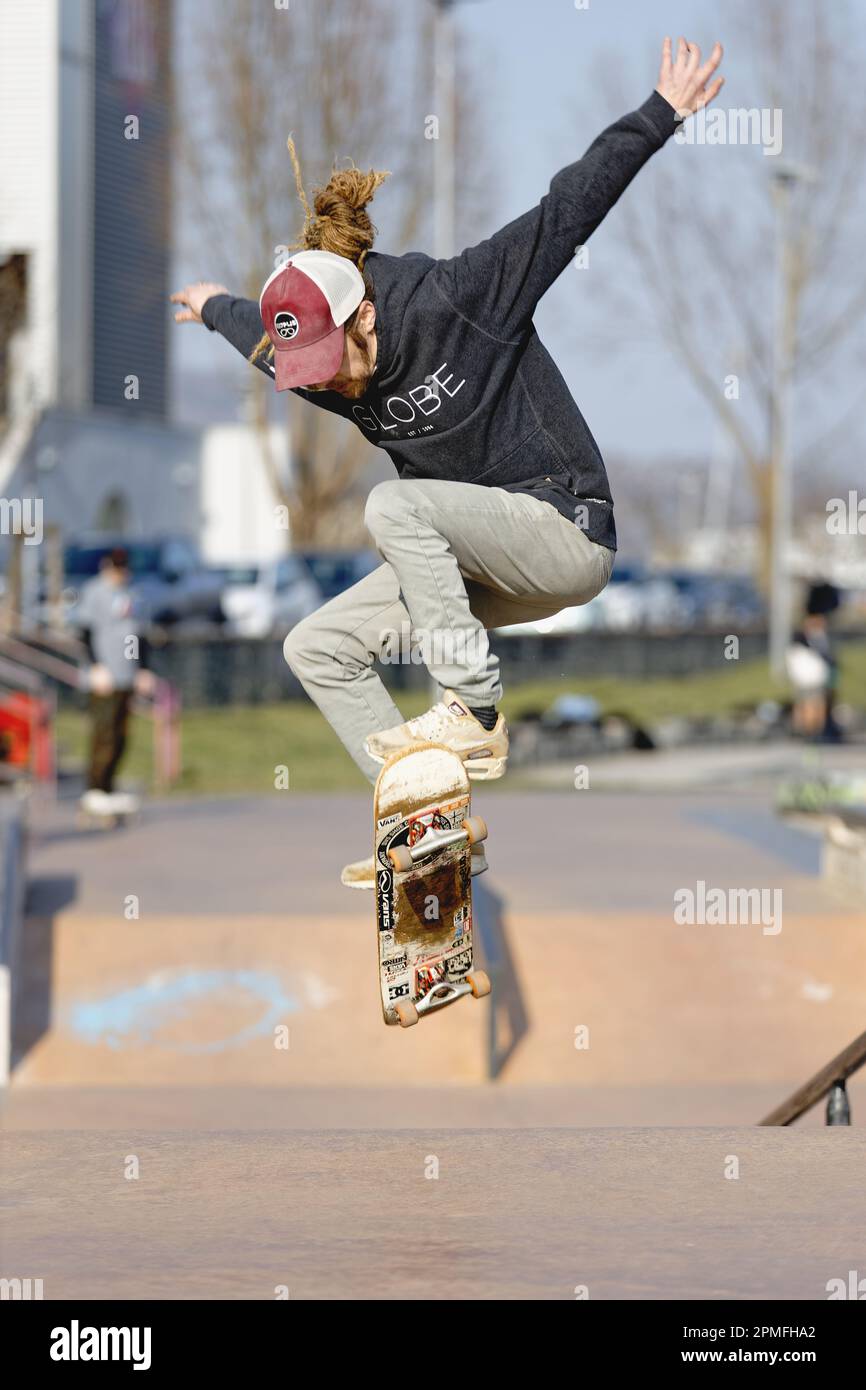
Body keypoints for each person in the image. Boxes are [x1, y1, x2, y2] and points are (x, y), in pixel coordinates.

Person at [172, 36, 724, 886]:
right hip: (475, 569)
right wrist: (210, 305)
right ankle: (423, 826)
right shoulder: (319, 372)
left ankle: (473, 709)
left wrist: (663, 112)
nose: (335, 389)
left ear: (362, 318)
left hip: (564, 528)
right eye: (312, 377)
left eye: (336, 363)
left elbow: (567, 208)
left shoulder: (464, 297)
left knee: (397, 509)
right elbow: (258, 331)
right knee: (316, 646)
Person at [76, 547, 155, 816]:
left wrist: (143, 669)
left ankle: (108, 786)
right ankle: (94, 788)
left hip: (127, 674)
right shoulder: (94, 592)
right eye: (116, 568)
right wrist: (95, 666)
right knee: (104, 732)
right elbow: (84, 632)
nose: (121, 573)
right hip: (104, 675)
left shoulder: (133, 594)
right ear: (106, 566)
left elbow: (140, 634)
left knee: (122, 734)